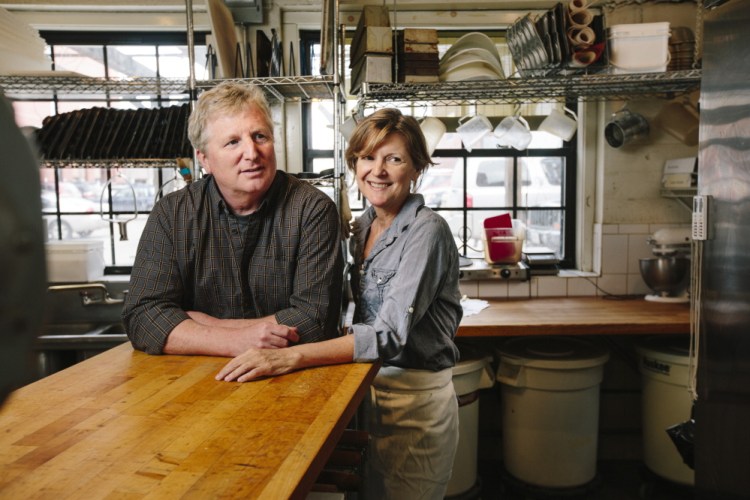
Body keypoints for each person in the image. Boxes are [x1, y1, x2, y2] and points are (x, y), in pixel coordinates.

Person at [216, 108, 463, 499]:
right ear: (355, 164)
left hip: (414, 403)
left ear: (416, 167)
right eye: (368, 158)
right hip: (366, 390)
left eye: (394, 159)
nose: (377, 171)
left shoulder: (427, 231)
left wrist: (292, 357)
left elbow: (388, 336)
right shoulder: (364, 226)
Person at [122, 81, 343, 357]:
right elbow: (143, 316)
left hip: (290, 378)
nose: (252, 153)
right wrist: (233, 340)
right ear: (205, 159)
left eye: (260, 136)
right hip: (190, 381)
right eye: (233, 142)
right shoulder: (172, 213)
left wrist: (203, 325)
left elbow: (314, 320)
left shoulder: (312, 210)